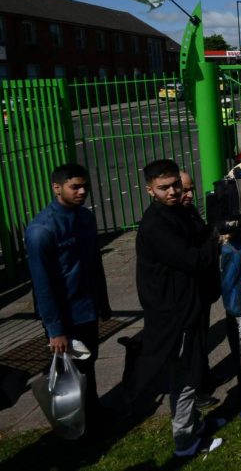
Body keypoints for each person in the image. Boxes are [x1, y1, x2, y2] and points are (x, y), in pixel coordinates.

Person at [130, 159, 223, 457]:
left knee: (191, 372)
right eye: (164, 188)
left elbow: (198, 237)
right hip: (174, 315)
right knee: (183, 379)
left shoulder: (176, 213)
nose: (172, 192)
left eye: (176, 186)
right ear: (149, 190)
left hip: (186, 307)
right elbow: (192, 259)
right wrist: (216, 241)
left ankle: (194, 426)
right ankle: (184, 441)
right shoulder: (157, 224)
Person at [25, 163, 111, 426]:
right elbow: (43, 285)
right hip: (65, 315)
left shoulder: (85, 218)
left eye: (85, 186)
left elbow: (94, 265)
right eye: (75, 187)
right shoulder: (41, 230)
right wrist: (55, 329)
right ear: (56, 188)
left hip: (87, 307)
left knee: (88, 363)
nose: (82, 191)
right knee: (70, 373)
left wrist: (102, 303)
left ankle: (92, 414)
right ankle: (74, 423)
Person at [180, 171, 221, 412]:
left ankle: (202, 378)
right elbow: (192, 256)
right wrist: (212, 241)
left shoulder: (190, 211)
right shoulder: (173, 219)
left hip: (200, 289)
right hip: (187, 293)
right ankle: (193, 389)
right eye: (183, 189)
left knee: (201, 338)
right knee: (191, 344)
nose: (187, 194)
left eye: (190, 189)